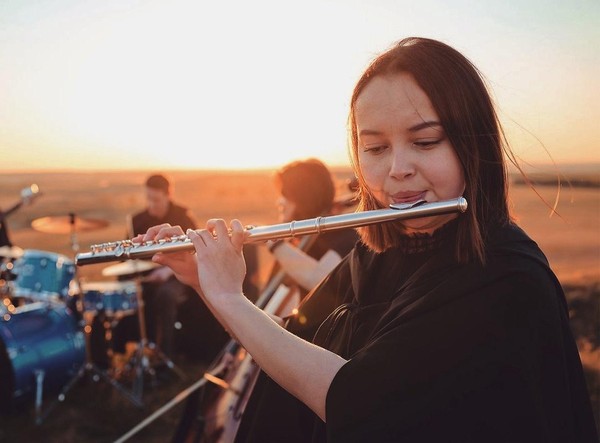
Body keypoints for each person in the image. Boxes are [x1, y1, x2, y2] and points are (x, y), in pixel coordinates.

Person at [139, 38, 598, 442]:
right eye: (375, 148)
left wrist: (229, 299)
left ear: (472, 146)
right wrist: (212, 286)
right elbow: (296, 344)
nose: (396, 169)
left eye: (425, 141)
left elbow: (352, 401)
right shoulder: (375, 253)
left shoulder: (506, 281)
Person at [263, 158, 360, 307]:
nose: (279, 202)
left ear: (304, 196)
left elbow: (321, 280)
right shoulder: (297, 241)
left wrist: (271, 240)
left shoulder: (345, 235)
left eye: (285, 194)